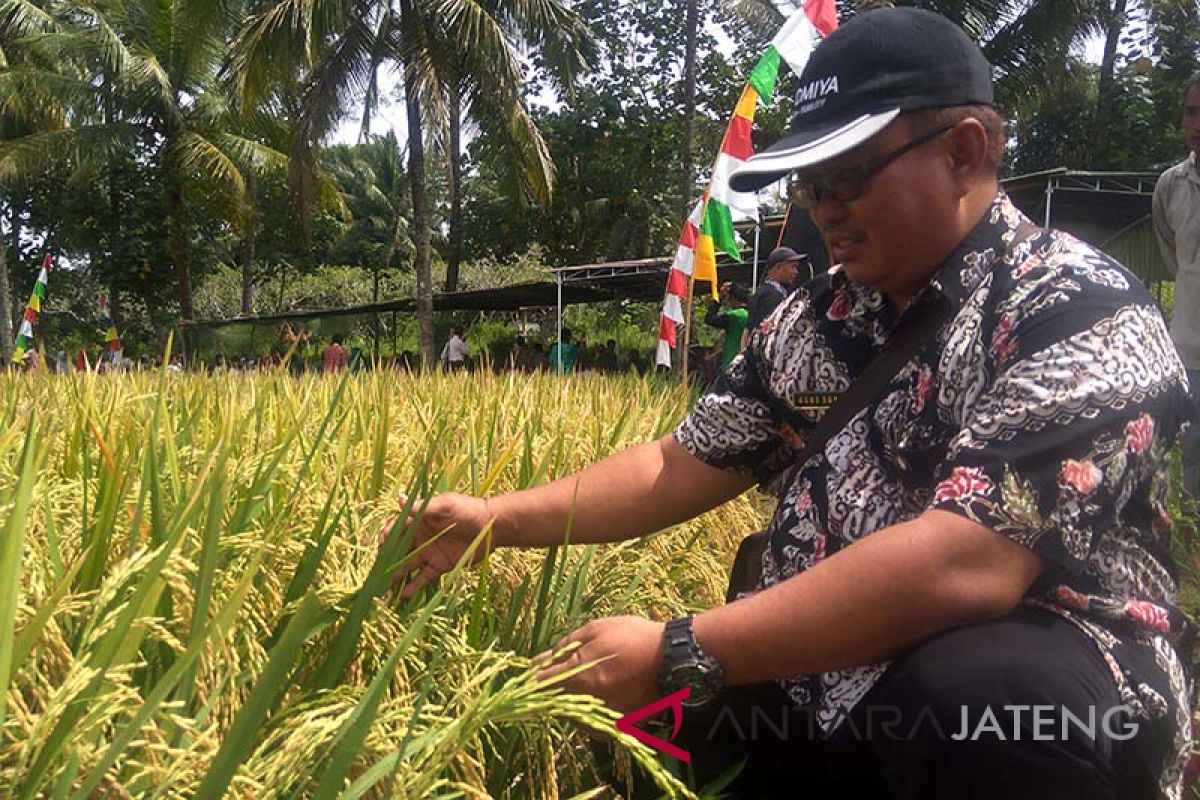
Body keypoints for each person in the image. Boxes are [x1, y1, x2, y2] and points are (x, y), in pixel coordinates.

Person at [383, 10, 1194, 800]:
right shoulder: (822, 318)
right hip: (832, 677)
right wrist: (493, 520)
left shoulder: (1078, 311)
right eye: (809, 184)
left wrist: (677, 647)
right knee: (634, 721)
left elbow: (965, 565)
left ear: (962, 152)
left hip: (1040, 692)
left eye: (847, 176)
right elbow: (677, 463)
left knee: (974, 704)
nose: (822, 209)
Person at [1153, 71, 1200, 494]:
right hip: (1189, 358)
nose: (1198, 123)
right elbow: (1176, 261)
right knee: (1188, 484)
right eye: (1192, 112)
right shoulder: (1171, 187)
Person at [743, 246, 805, 346]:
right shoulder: (771, 296)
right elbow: (766, 334)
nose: (796, 272)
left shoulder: (764, 291)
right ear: (778, 267)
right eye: (793, 267)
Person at [705, 281, 750, 370]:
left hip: (731, 362)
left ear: (732, 298)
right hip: (746, 364)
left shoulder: (734, 316)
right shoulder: (752, 314)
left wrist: (719, 298)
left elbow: (709, 319)